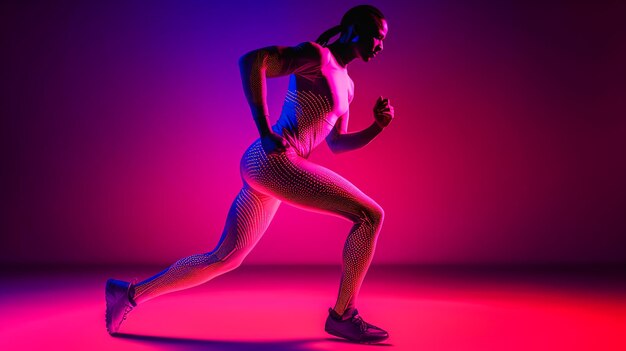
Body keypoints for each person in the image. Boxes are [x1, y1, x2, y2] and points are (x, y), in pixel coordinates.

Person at [105, 4, 394, 344]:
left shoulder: (347, 85)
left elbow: (337, 144)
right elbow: (252, 61)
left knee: (224, 258)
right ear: (353, 30)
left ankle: (128, 294)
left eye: (383, 40)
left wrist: (377, 126)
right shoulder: (317, 57)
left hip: (271, 167)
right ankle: (342, 316)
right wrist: (264, 129)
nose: (380, 46)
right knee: (370, 215)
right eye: (377, 37)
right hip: (275, 160)